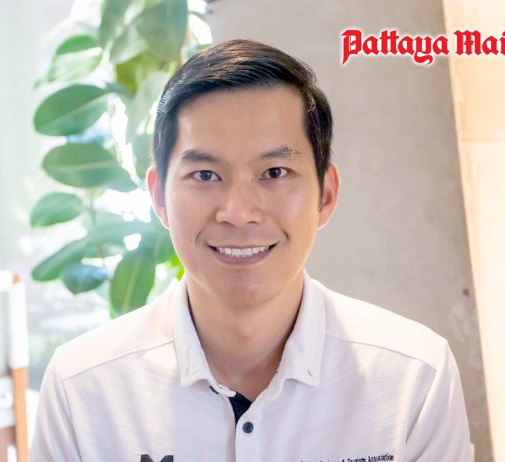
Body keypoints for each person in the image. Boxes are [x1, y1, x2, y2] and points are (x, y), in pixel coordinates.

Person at [30, 39, 473, 462]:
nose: (239, 213)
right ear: (159, 197)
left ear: (326, 195)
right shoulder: (82, 390)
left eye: (274, 172)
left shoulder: (414, 378)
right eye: (205, 175)